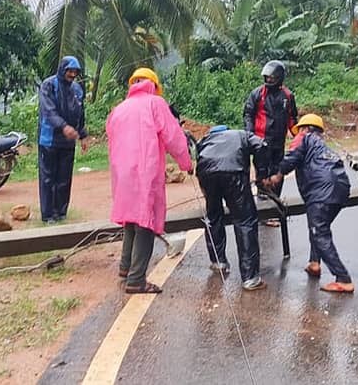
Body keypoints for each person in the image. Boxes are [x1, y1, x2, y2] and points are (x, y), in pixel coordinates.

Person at [106, 68, 192, 294]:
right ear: (154, 86)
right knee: (145, 221)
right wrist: (186, 163)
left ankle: (125, 268)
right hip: (145, 170)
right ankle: (136, 280)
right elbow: (173, 136)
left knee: (130, 220)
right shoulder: (155, 103)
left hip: (121, 172)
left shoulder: (118, 109)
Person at [265, 114, 354, 294]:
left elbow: (293, 157)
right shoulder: (323, 146)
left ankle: (343, 279)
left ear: (304, 128)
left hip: (322, 191)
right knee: (318, 226)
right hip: (340, 189)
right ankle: (315, 263)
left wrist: (277, 175)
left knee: (319, 231)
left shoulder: (304, 138)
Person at [196, 125, 270, 291]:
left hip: (207, 173)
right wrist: (262, 175)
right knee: (245, 220)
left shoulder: (205, 140)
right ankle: (250, 277)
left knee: (213, 216)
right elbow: (262, 145)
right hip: (234, 173)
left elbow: (198, 159)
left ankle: (218, 262)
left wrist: (205, 188)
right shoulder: (241, 134)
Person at [37, 56, 89, 223]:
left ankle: (61, 212)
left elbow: (80, 113)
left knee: (64, 178)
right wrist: (63, 126)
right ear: (62, 69)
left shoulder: (77, 89)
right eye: (70, 70)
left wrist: (83, 134)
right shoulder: (49, 85)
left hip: (68, 141)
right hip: (49, 140)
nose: (72, 74)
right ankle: (47, 215)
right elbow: (49, 111)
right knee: (48, 178)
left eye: (75, 71)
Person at [243, 60, 299, 205]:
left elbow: (292, 119)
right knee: (262, 175)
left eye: (272, 78)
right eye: (267, 77)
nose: (269, 80)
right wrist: (250, 135)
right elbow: (248, 114)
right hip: (260, 143)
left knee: (277, 174)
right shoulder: (257, 94)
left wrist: (299, 138)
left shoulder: (287, 96)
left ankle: (274, 206)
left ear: (279, 77)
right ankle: (264, 209)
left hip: (278, 143)